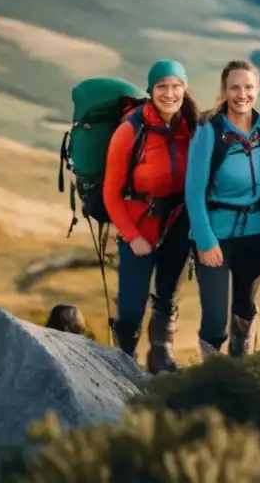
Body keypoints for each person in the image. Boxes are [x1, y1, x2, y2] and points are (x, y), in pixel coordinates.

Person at [102, 59, 197, 374]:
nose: (169, 94)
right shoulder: (130, 131)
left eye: (176, 86)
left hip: (177, 226)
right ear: (151, 90)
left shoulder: (192, 127)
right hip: (139, 227)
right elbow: (111, 193)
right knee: (130, 309)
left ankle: (161, 357)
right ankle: (125, 360)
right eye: (162, 87)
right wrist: (133, 237)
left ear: (185, 89)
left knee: (167, 296)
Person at [185, 60, 260, 359]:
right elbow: (194, 193)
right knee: (214, 321)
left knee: (244, 307)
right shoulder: (209, 132)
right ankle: (213, 377)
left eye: (248, 87)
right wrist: (204, 239)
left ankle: (241, 368)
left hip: (258, 235)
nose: (242, 94)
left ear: (257, 90)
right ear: (224, 91)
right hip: (216, 234)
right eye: (234, 87)